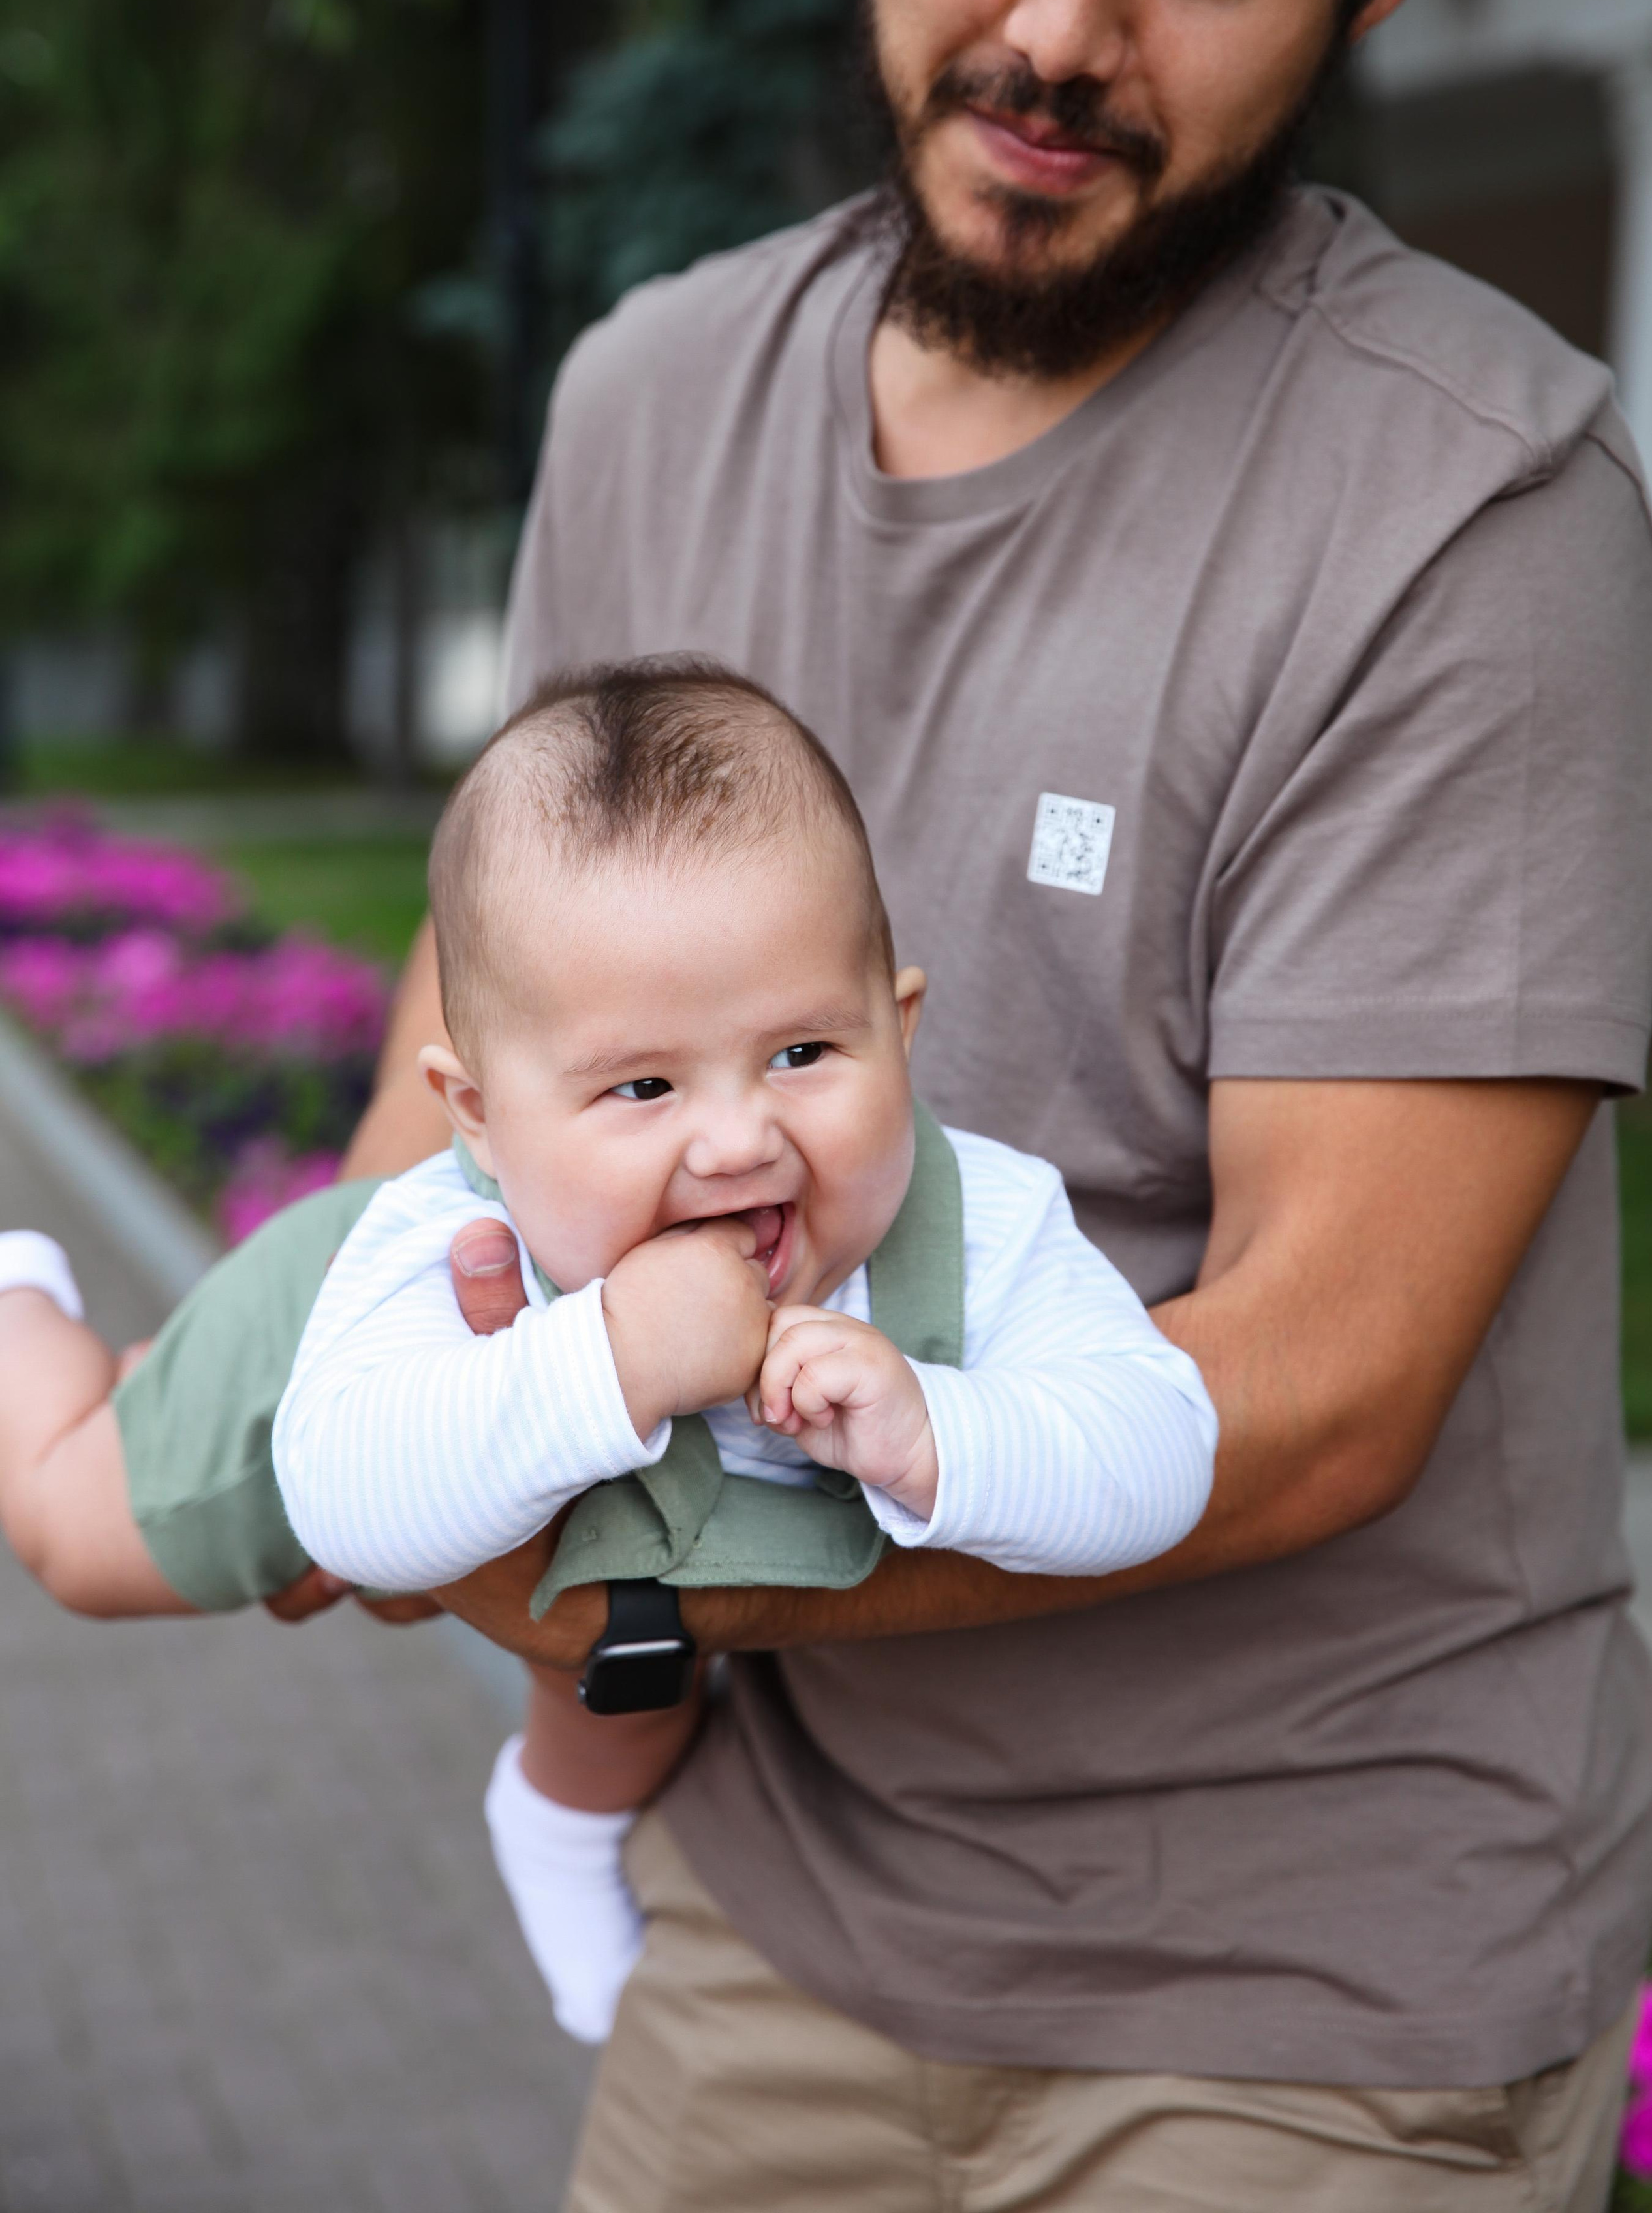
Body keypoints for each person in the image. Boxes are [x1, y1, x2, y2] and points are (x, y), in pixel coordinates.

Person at [332, 0, 1652, 2204]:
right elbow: (457, 1080)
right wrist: (262, 1423)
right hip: (779, 1913)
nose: (1061, 29)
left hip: (1320, 1999)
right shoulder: (648, 402)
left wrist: (599, 1576)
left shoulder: (1477, 512)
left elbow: (1319, 1385)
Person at [0, 658, 1215, 2049]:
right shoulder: (424, 1242)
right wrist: (617, 1358)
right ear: (477, 1114)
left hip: (636, 1552)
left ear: (901, 1024)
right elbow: (343, 1502)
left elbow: (1162, 1446)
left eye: (805, 1051)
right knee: (78, 1531)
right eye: (642, 1086)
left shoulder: (984, 1228)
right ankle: (25, 1308)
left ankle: (557, 1817)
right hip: (333, 1358)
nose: (736, 1139)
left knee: (635, 1649)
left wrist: (934, 1430)